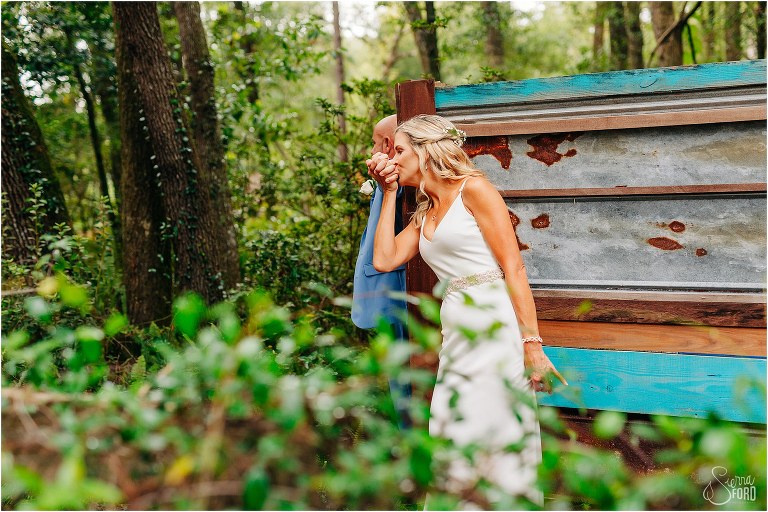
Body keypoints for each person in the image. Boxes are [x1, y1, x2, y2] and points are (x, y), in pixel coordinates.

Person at [372, 114, 566, 505]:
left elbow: (513, 268)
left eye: (400, 150)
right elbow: (384, 259)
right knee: (453, 430)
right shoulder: (425, 211)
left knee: (495, 431)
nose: (393, 158)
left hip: (494, 330)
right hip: (457, 338)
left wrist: (532, 344)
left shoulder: (474, 189)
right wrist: (388, 192)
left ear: (427, 151)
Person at [352, 114, 411, 427]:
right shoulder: (385, 176)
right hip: (389, 284)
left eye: (375, 143)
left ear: (387, 144)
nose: (374, 149)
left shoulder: (396, 175)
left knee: (402, 369)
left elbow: (397, 191)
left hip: (394, 288)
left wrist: (385, 182)